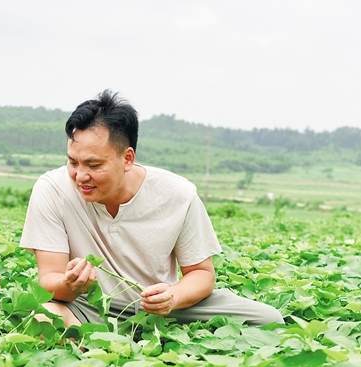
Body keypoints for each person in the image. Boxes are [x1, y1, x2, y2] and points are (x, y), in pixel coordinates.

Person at [20, 90, 282, 328]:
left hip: (160, 309)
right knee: (43, 318)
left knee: (268, 320)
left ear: (127, 159)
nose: (80, 176)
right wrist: (70, 286)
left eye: (94, 165)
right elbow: (49, 279)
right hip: (89, 305)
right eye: (73, 162)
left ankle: (100, 342)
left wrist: (173, 296)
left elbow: (201, 274)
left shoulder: (178, 194)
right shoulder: (51, 190)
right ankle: (102, 343)